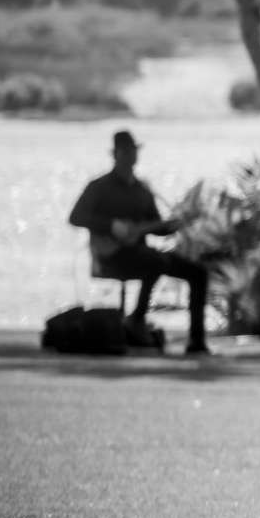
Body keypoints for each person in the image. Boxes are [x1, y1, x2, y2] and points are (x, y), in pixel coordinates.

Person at [67, 130, 207, 356]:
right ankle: (137, 318)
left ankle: (197, 342)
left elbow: (157, 226)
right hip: (111, 257)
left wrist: (176, 224)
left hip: (142, 253)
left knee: (198, 273)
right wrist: (111, 226)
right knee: (156, 261)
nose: (131, 155)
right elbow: (75, 217)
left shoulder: (143, 190)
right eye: (126, 151)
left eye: (134, 150)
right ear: (115, 154)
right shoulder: (99, 187)